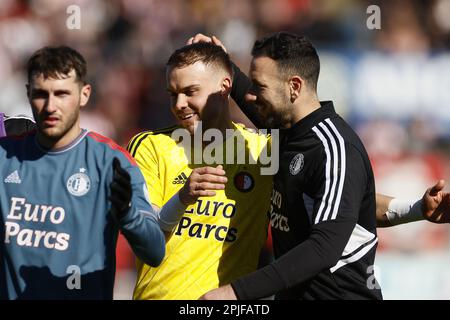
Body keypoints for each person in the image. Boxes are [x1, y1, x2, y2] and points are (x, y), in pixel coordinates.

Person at [194, 32, 450, 300]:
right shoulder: (288, 131)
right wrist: (224, 65)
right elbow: (347, 208)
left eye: (260, 87)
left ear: (294, 87)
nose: (250, 96)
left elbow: (324, 246)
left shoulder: (334, 148)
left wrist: (235, 293)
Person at [0, 46, 165, 299]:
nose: (51, 106)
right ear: (28, 93)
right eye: (41, 94)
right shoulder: (5, 156)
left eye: (62, 94)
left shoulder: (111, 161)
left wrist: (128, 214)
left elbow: (155, 252)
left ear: (84, 94)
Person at [127, 42, 273, 299]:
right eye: (173, 94)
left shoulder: (263, 152)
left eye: (190, 91)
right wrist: (182, 198)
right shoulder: (150, 146)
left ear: (225, 87)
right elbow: (144, 238)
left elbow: (301, 131)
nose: (179, 104)